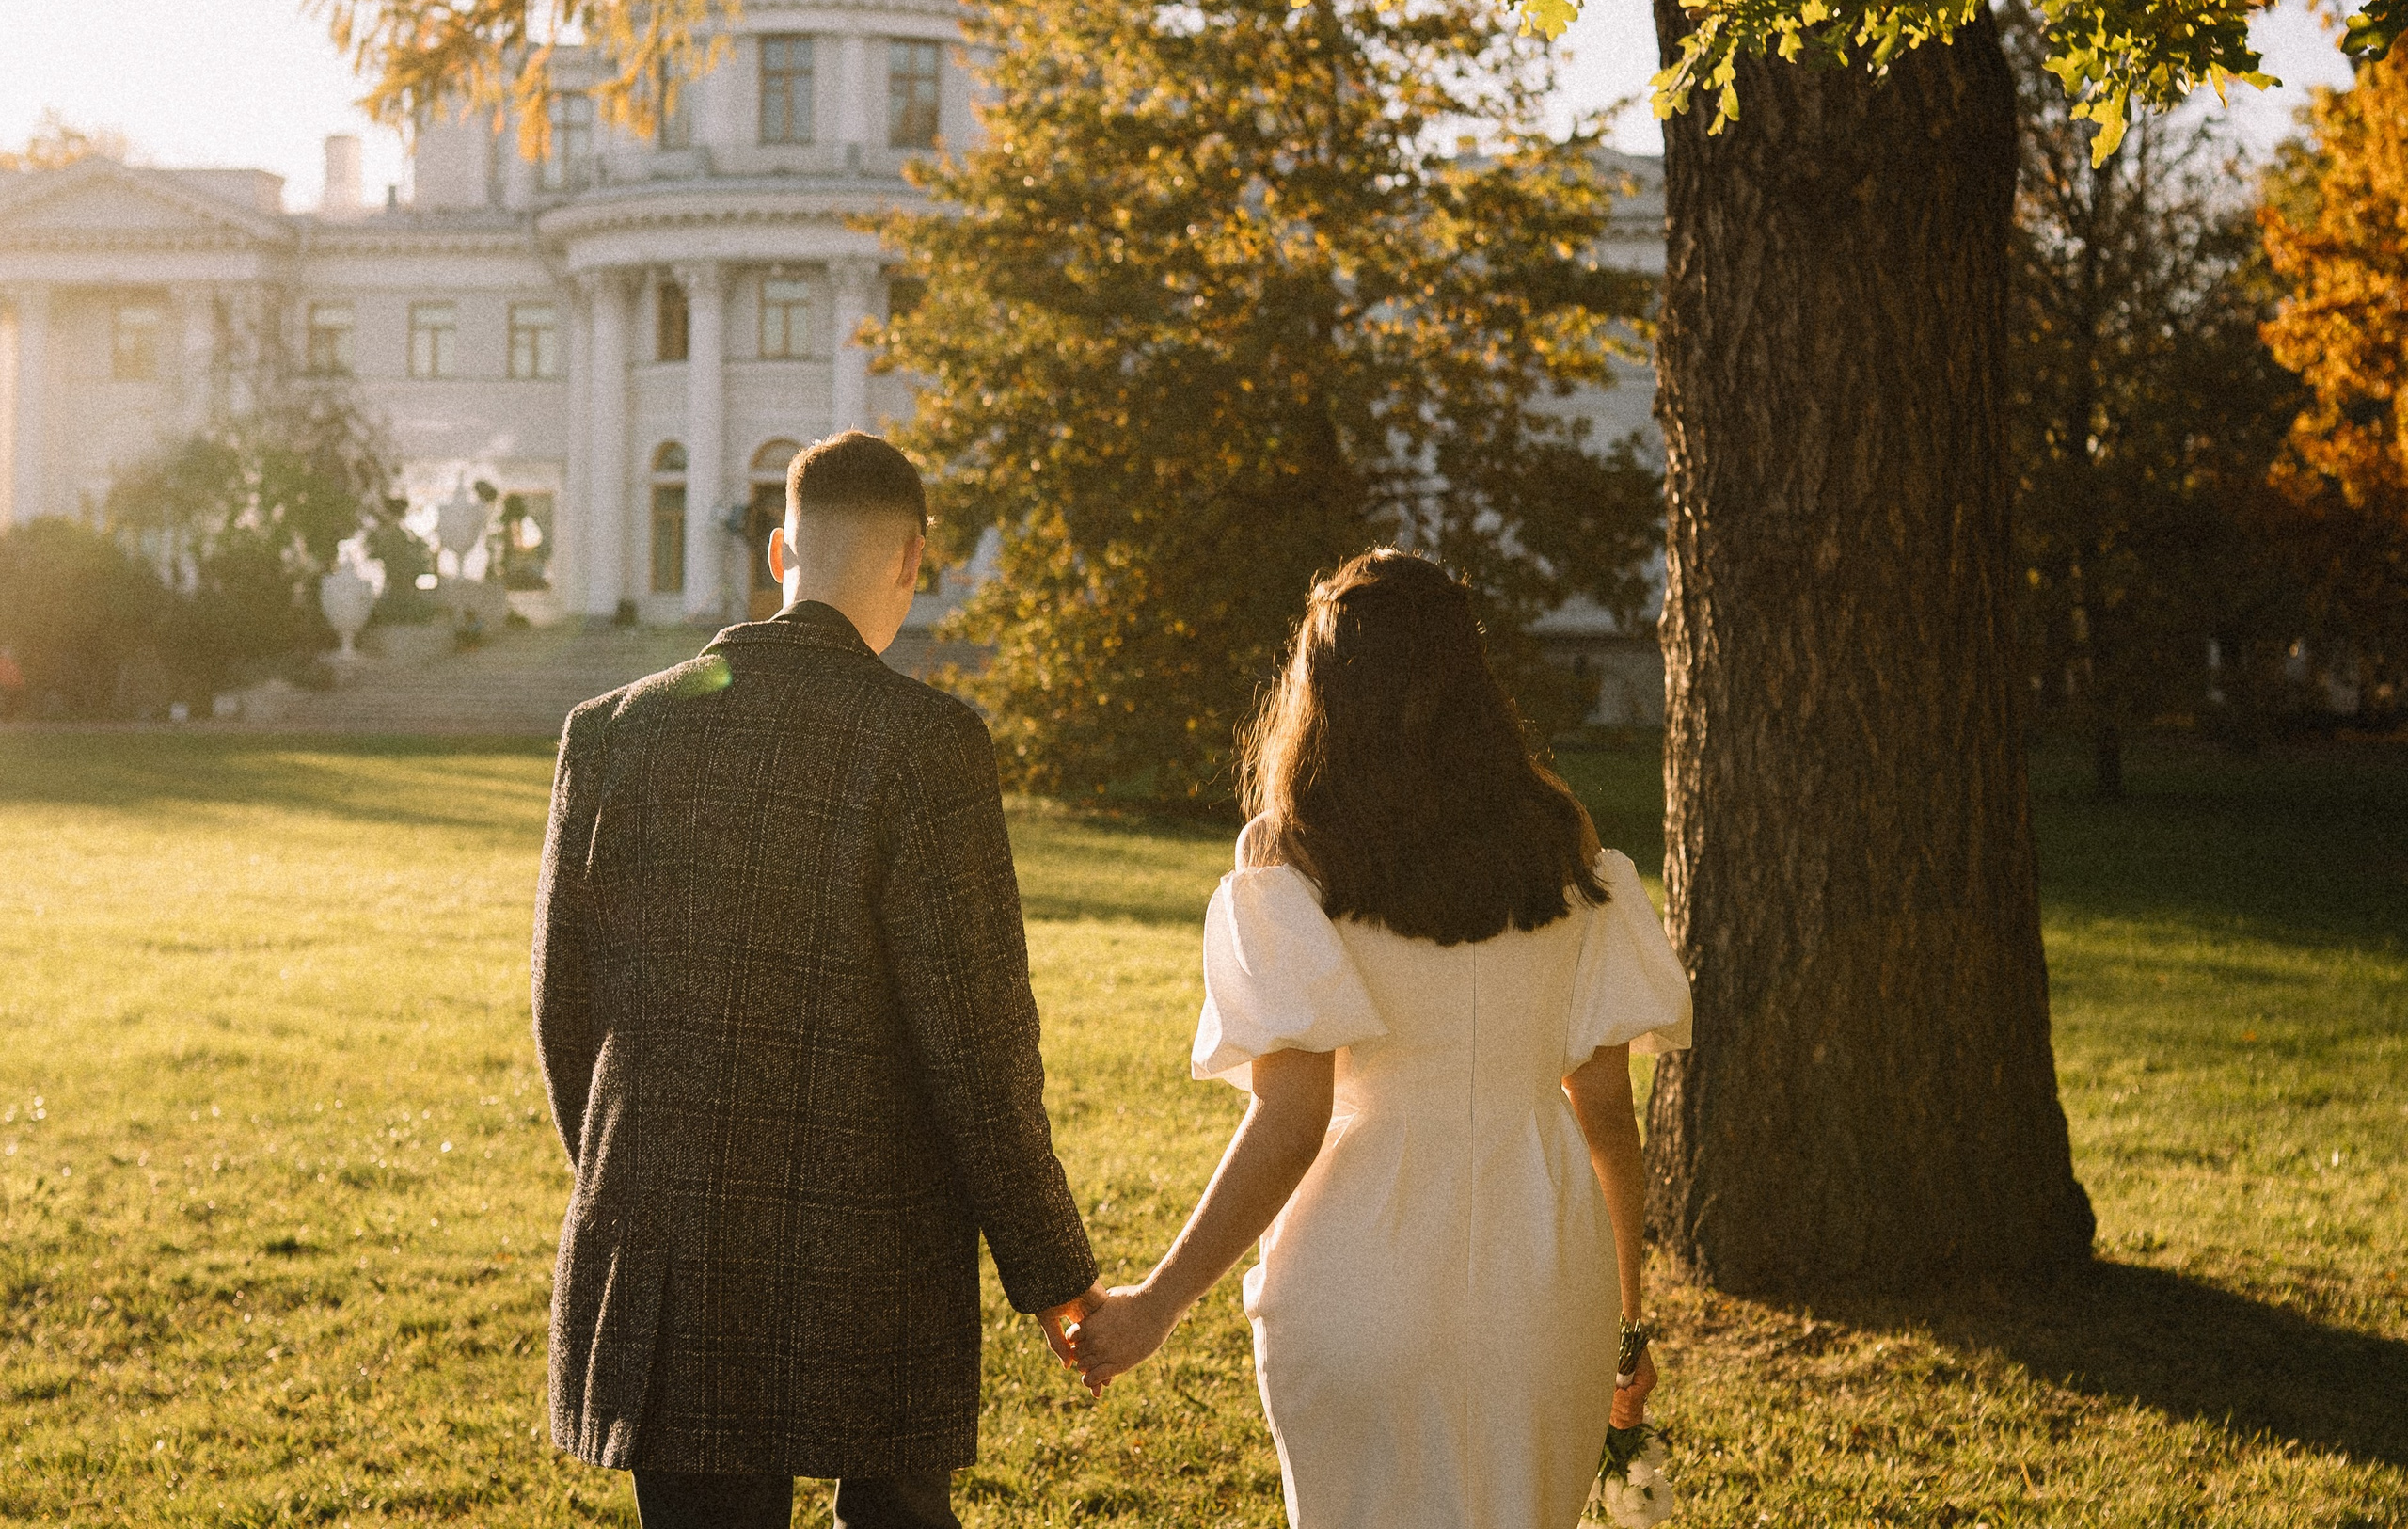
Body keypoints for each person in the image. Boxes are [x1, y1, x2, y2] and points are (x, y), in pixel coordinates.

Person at [532, 430, 1101, 1529]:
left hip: (669, 1229)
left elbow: (568, 1017)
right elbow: (981, 1047)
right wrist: (1053, 1272)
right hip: (876, 1245)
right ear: (913, 561)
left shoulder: (610, 732)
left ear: (781, 549)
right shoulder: (928, 744)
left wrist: (632, 1184)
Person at [1067, 549, 1692, 1528]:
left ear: (1317, 682)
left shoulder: (1292, 847)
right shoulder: (1563, 837)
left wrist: (1157, 1302)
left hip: (1358, 1266)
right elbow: (1606, 1112)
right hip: (1546, 1271)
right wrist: (1623, 1323)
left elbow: (1292, 1116)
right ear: (1469, 676)